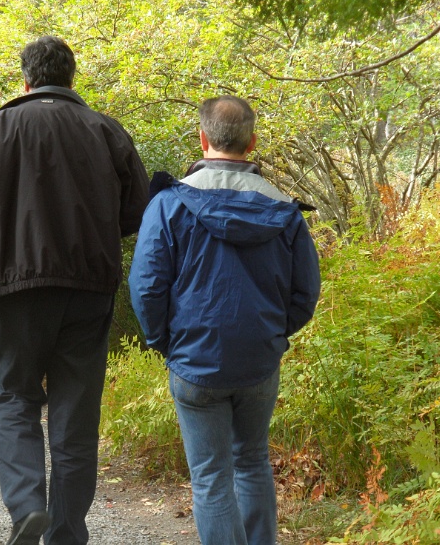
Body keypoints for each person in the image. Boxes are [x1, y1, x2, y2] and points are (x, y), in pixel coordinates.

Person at [0, 36, 149, 545]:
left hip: (14, 293)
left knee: (13, 397)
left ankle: (27, 505)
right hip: (88, 292)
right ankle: (65, 534)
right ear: (71, 78)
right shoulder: (105, 131)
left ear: (26, 81)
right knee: (75, 419)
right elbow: (136, 211)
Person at [128, 95, 321, 545]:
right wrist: (272, 334)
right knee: (251, 461)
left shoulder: (170, 204)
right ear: (251, 143)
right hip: (259, 360)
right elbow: (305, 293)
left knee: (212, 477)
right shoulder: (284, 210)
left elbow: (147, 286)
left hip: (194, 360)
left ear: (203, 138)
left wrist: (164, 341)